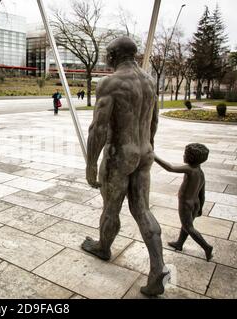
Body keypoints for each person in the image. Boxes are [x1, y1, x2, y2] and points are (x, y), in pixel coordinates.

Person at [82, 37, 167, 296]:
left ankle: (103, 247)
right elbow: (153, 121)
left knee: (111, 207)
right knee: (141, 208)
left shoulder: (111, 83)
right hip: (144, 152)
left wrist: (90, 163)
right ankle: (157, 267)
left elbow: (99, 127)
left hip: (120, 154)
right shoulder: (149, 81)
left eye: (108, 53)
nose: (106, 57)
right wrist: (148, 147)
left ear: (115, 54)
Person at [154, 144, 213, 261]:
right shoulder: (200, 172)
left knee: (189, 227)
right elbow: (202, 193)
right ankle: (179, 243)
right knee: (186, 224)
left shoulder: (189, 169)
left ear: (190, 158)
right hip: (195, 203)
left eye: (185, 154)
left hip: (186, 204)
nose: (183, 155)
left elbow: (170, 168)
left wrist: (154, 156)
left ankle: (207, 247)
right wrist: (200, 207)